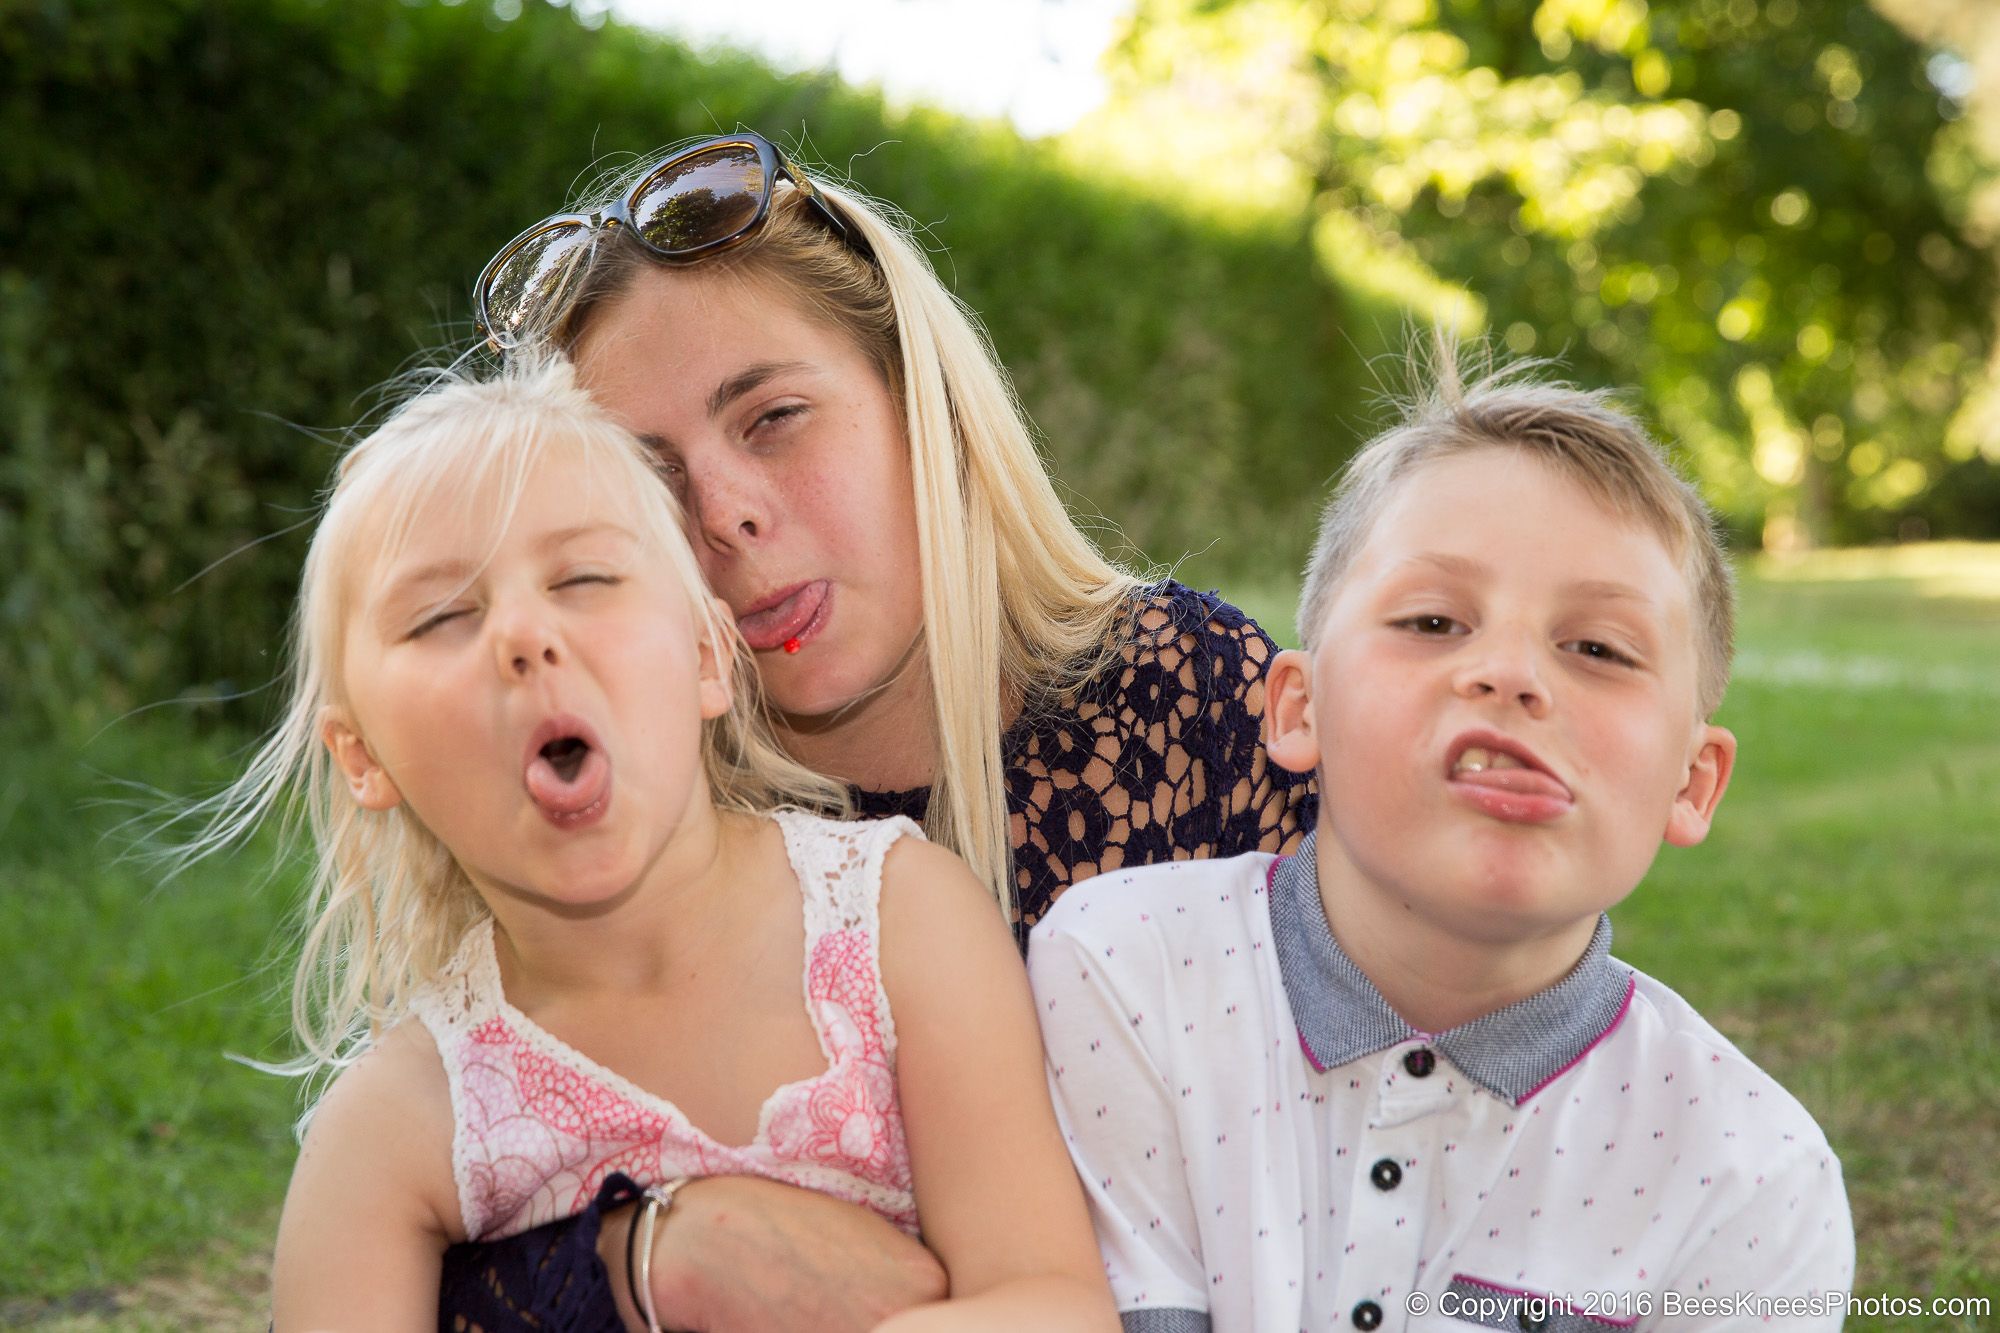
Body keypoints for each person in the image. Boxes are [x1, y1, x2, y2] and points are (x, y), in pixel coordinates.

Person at [439, 131, 1316, 1330]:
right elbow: (413, 1196)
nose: (727, 516)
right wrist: (644, 1257)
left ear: (923, 403)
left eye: (773, 418)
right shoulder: (613, 821)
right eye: (649, 485)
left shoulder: (1193, 706)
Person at [205, 359, 1119, 1331]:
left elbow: (1052, 1300)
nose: (523, 634)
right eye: (441, 616)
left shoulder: (897, 919)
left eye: (584, 578)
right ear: (362, 757)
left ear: (703, 656)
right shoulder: (398, 1124)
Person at [1028, 361, 1856, 1331]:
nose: (1507, 674)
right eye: (1431, 621)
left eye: (1596, 648)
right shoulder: (1124, 972)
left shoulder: (1752, 1180)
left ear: (1690, 780)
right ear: (1301, 708)